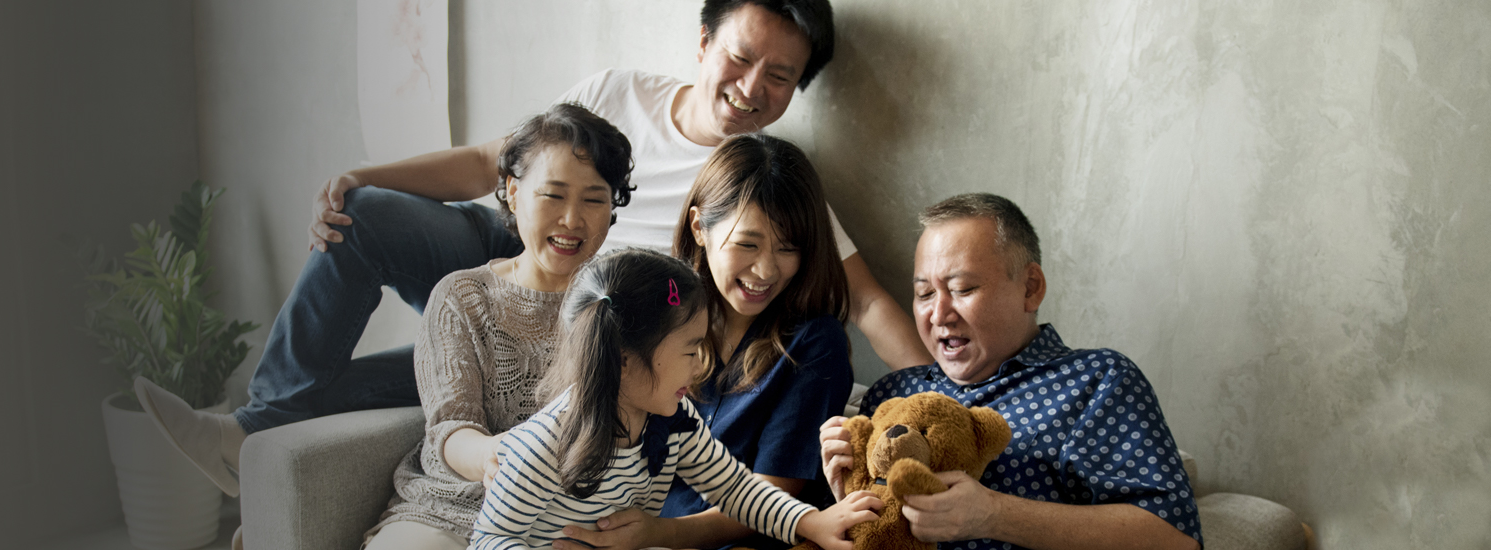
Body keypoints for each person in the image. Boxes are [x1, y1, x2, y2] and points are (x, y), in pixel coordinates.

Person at [170, 0, 929, 497]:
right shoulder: (616, 92)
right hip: (505, 245)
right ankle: (250, 428)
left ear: (796, 90)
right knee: (365, 215)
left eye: (780, 76)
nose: (750, 86)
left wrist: (949, 391)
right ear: (704, 41)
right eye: (740, 57)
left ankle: (248, 443)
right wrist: (359, 177)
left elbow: (860, 296)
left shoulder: (757, 187)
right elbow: (493, 163)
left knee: (449, 368)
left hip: (562, 321)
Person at [817, 193, 1203, 550]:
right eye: (924, 293)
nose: (938, 313)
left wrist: (994, 515)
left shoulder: (1098, 380)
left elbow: (1176, 536)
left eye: (963, 289)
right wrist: (849, 495)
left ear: (1030, 288)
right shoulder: (892, 393)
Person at [553, 134, 871, 550]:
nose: (766, 269)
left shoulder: (814, 344)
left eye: (788, 248)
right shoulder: (661, 311)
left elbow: (773, 496)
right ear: (699, 227)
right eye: (747, 243)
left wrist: (654, 535)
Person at [472, 249, 882, 550]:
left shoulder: (673, 420)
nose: (699, 367)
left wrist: (811, 523)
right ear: (623, 362)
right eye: (690, 352)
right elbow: (490, 538)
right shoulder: (546, 444)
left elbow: (735, 488)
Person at [356, 104, 633, 550]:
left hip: (569, 522)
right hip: (451, 509)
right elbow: (450, 427)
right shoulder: (462, 297)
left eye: (594, 199)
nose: (572, 219)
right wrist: (493, 456)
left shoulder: (623, 299)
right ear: (513, 191)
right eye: (554, 195)